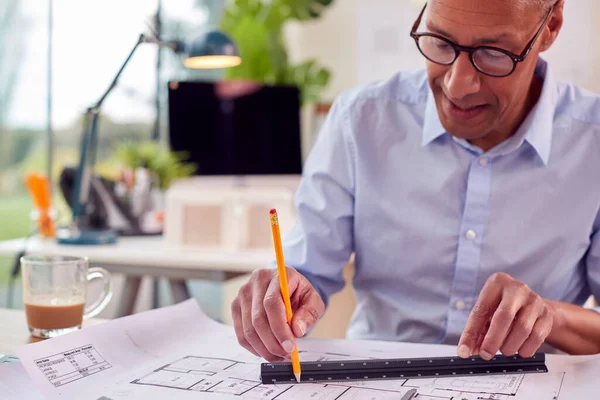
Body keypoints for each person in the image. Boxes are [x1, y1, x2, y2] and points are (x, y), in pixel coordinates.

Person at [231, 0, 600, 363]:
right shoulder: (360, 120)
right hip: (375, 383)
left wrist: (551, 317)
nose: (458, 86)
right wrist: (281, 297)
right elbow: (306, 272)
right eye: (441, 43)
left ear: (550, 26)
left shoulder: (593, 141)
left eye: (493, 53)